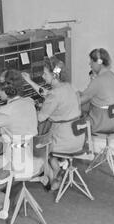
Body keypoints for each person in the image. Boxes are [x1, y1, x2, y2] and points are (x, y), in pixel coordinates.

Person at [22, 56, 84, 190]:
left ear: (54, 75)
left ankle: (55, 172)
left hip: (63, 139)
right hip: (78, 137)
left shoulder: (54, 94)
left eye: (45, 73)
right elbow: (48, 94)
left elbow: (40, 118)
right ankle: (59, 167)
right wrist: (29, 81)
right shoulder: (68, 86)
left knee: (42, 146)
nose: (43, 76)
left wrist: (30, 108)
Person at [0, 69, 48, 183]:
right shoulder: (29, 102)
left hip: (16, 165)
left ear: (6, 90)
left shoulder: (6, 112)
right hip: (30, 160)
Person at [78, 48, 114, 133]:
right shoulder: (113, 76)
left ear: (99, 62)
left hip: (102, 122)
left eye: (91, 61)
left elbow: (80, 100)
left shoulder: (98, 81)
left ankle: (85, 144)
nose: (90, 64)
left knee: (74, 125)